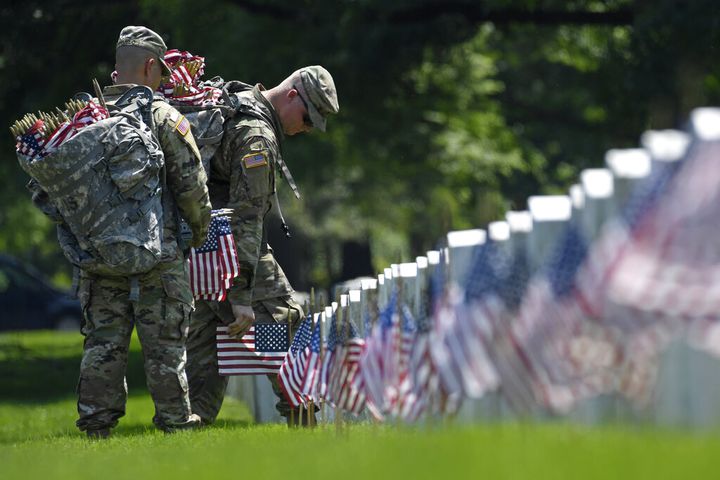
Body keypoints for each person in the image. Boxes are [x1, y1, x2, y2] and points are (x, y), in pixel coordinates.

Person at [31, 26, 212, 438]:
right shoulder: (164, 117)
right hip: (158, 253)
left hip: (98, 258)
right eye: (163, 73)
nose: (164, 80)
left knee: (103, 343)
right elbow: (191, 186)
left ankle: (96, 422)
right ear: (151, 66)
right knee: (165, 344)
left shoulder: (82, 119)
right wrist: (198, 232)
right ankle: (175, 420)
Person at [186, 66, 339, 426]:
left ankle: (188, 421)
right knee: (283, 321)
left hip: (200, 250)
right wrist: (241, 293)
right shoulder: (257, 135)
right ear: (291, 95)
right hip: (229, 251)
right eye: (306, 118)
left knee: (206, 339)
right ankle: (300, 415)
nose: (304, 129)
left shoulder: (239, 102)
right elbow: (247, 217)